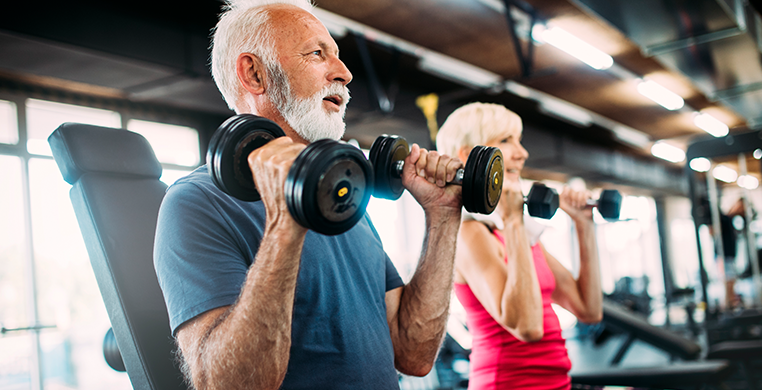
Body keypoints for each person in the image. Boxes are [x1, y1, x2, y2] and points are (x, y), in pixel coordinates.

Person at [153, 1, 464, 389]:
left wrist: (443, 215)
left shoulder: (344, 199)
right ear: (254, 73)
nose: (345, 73)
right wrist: (286, 223)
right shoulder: (197, 203)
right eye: (317, 53)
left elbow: (413, 353)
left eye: (337, 56)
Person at [436, 102, 603, 389]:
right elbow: (527, 327)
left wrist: (583, 224)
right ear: (469, 155)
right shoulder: (470, 233)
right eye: (505, 140)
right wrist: (513, 219)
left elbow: (588, 309)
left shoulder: (519, 235)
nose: (522, 153)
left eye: (518, 140)